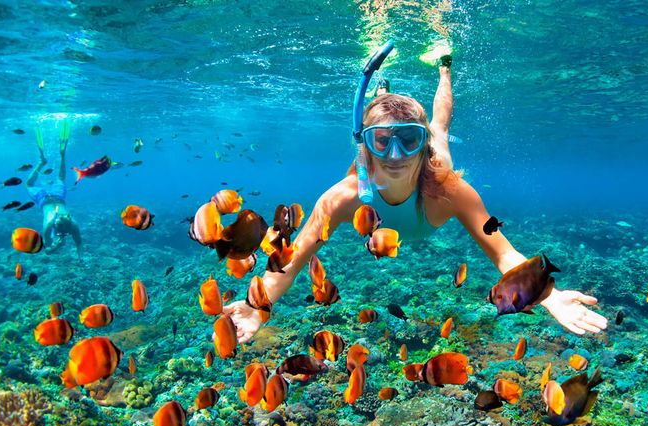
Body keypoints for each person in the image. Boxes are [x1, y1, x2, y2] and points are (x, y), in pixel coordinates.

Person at [221, 52, 608, 343]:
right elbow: (293, 257)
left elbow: (504, 253)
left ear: (423, 149)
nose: (394, 156)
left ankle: (443, 66)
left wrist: (547, 293)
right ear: (366, 146)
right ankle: (383, 93)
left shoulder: (449, 189)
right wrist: (258, 307)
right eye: (381, 141)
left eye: (409, 140)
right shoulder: (343, 198)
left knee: (439, 124)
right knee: (388, 113)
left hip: (435, 164)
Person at [25, 120, 82, 256]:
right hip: (43, 199)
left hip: (58, 197)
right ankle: (44, 161)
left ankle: (57, 157)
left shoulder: (65, 223)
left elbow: (50, 244)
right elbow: (49, 249)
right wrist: (56, 247)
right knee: (29, 185)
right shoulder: (58, 224)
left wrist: (56, 244)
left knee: (60, 178)